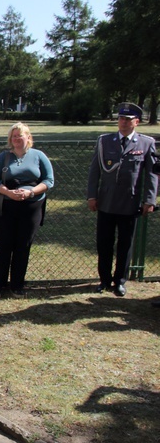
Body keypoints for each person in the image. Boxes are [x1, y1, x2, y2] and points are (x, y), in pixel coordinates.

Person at [87, 102, 157, 297]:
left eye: (128, 119)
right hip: (106, 202)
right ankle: (104, 280)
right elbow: (95, 171)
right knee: (104, 243)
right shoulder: (104, 141)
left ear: (136, 122)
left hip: (130, 202)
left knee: (125, 244)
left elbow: (152, 175)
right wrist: (92, 196)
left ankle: (120, 281)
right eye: (121, 119)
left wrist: (149, 200)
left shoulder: (146, 143)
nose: (123, 123)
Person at [0, 123, 54, 297]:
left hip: (31, 206)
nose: (16, 139)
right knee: (3, 245)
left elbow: (49, 181)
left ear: (28, 137)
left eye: (20, 135)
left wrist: (30, 192)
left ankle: (17, 285)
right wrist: (8, 192)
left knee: (23, 246)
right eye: (13, 136)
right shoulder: (4, 157)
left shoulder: (39, 156)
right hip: (6, 206)